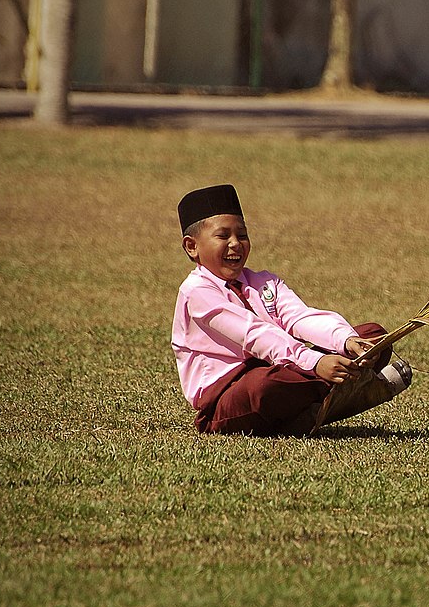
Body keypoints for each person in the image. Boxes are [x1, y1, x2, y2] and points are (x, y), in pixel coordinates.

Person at [172, 184, 411, 436]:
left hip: (287, 368)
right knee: (265, 386)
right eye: (223, 236)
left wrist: (346, 340)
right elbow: (255, 335)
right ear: (192, 246)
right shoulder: (196, 291)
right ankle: (346, 397)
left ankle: (308, 414)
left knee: (373, 337)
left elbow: (299, 317)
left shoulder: (263, 281)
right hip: (232, 397)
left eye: (242, 235)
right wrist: (316, 362)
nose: (236, 244)